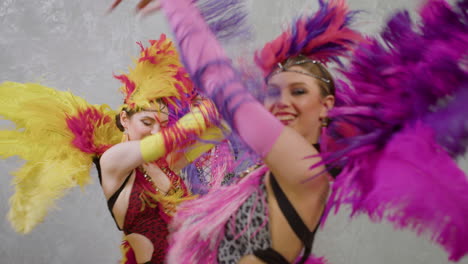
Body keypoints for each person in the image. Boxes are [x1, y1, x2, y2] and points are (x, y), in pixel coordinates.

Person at [114, 0, 468, 263]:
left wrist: (179, 6)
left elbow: (221, 84)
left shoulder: (304, 170)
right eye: (274, 92)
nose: (281, 102)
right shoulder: (275, 168)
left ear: (327, 106)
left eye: (298, 92)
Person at [0, 34, 225, 264]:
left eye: (163, 125)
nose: (156, 131)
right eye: (147, 123)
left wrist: (231, 100)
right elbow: (164, 142)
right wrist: (212, 106)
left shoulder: (161, 162)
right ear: (125, 119)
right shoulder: (113, 159)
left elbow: (215, 133)